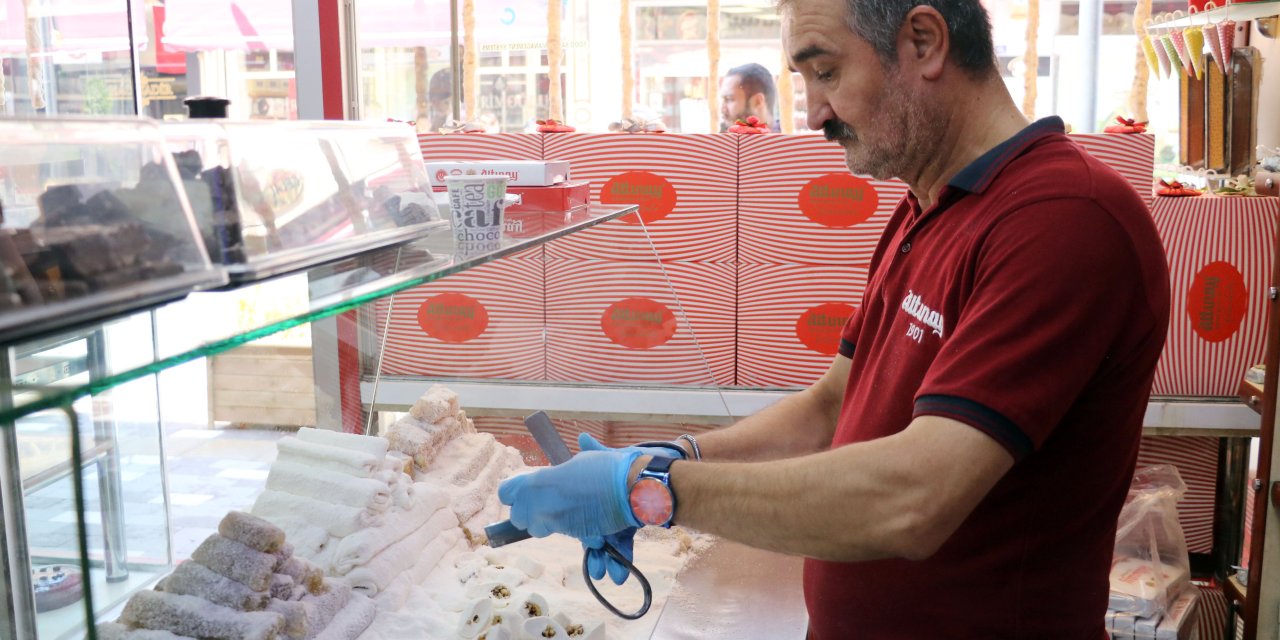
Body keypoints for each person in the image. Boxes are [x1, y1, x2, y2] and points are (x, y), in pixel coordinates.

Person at [498, 0, 1171, 637]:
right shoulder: (927, 208)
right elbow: (828, 408)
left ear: (924, 42)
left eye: (826, 72)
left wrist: (651, 493)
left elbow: (915, 498)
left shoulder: (1063, 219)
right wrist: (673, 456)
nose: (814, 111)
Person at [719, 62, 779, 132]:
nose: (723, 109)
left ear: (758, 101)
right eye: (723, 100)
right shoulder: (721, 139)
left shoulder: (788, 140)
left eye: (729, 99)